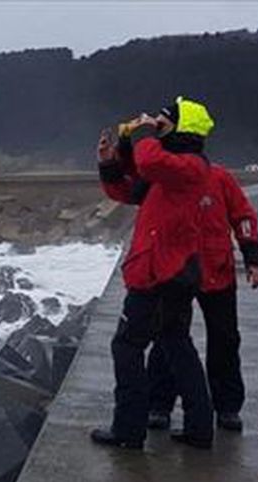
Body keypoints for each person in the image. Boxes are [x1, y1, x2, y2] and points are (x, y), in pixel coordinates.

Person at [90, 96, 215, 450]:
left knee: (127, 345)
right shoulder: (174, 168)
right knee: (176, 344)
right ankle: (199, 428)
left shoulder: (190, 165)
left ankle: (128, 429)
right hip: (170, 270)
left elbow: (149, 160)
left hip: (159, 272)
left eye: (163, 122)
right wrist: (111, 160)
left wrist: (144, 133)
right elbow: (130, 190)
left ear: (179, 128)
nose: (155, 125)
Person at [146, 154, 258, 433]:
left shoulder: (221, 178)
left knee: (225, 339)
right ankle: (159, 405)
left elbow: (243, 217)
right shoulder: (166, 180)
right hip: (176, 273)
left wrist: (253, 259)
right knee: (168, 339)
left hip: (217, 270)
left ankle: (227, 407)